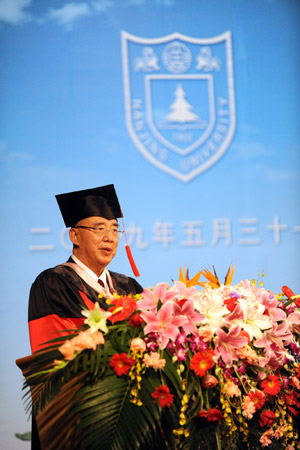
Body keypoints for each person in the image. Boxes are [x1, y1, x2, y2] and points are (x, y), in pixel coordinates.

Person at [28, 184, 143, 354]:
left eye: (114, 230)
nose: (109, 238)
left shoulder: (128, 286)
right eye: (99, 229)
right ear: (75, 236)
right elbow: (58, 346)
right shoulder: (54, 283)